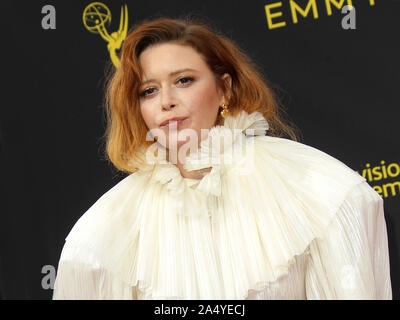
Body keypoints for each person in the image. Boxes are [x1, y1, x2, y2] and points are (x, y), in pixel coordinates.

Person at [52, 17, 392, 300]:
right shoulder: (102, 232)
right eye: (149, 90)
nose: (166, 101)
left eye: (184, 80)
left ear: (224, 89)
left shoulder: (316, 190)